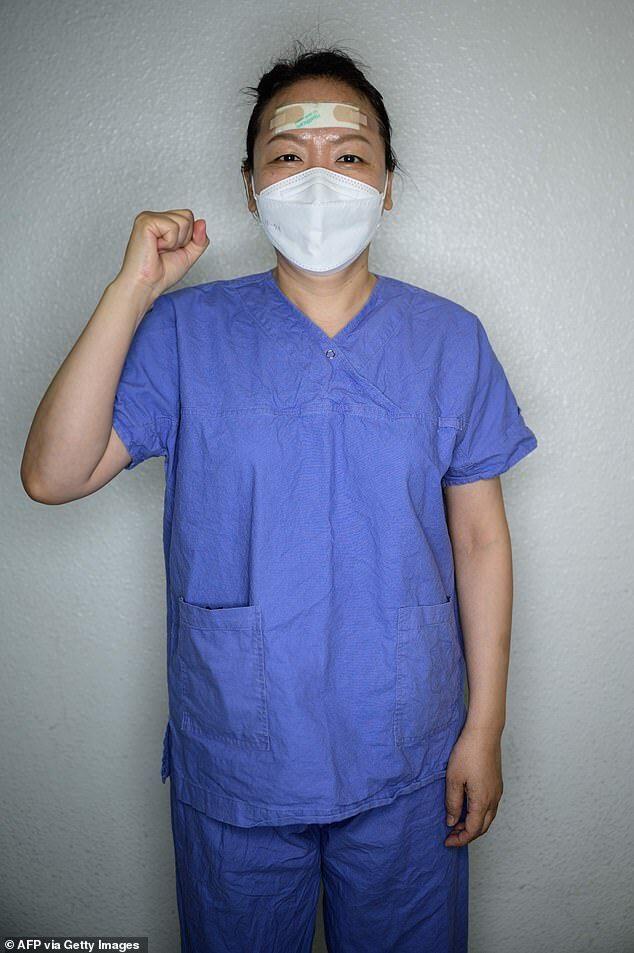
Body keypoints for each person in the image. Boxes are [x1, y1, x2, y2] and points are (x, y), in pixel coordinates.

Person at [21, 43, 538, 953]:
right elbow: (53, 475)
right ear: (251, 185)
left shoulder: (449, 341)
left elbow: (483, 545)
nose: (320, 177)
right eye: (288, 156)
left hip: (408, 750)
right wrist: (132, 287)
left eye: (351, 155)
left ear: (389, 184)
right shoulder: (185, 333)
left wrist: (484, 728)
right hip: (240, 755)